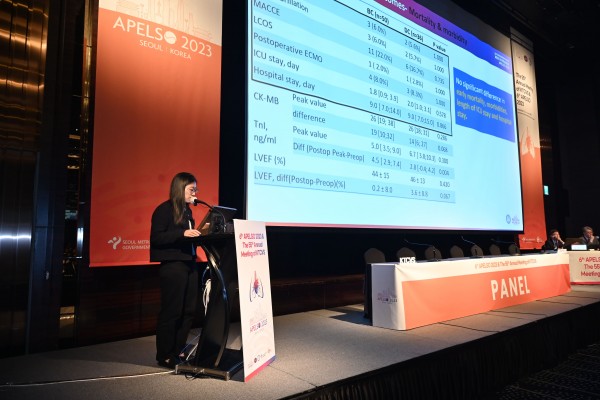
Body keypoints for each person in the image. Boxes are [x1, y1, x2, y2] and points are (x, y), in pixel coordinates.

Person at [150, 172, 202, 369]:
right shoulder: (164, 210)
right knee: (172, 311)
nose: (195, 193)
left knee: (188, 311)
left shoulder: (187, 211)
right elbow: (156, 238)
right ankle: (164, 355)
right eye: (191, 189)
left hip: (189, 264)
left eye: (195, 189)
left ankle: (178, 350)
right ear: (180, 189)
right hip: (173, 265)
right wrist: (182, 233)